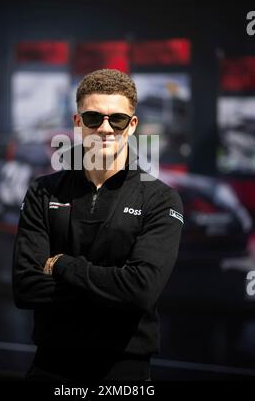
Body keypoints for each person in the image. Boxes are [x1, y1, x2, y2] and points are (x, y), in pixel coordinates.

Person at [12, 68, 183, 382]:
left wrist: (61, 265)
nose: (105, 129)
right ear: (78, 124)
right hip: (50, 365)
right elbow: (25, 287)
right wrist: (112, 287)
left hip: (124, 372)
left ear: (131, 126)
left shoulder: (161, 199)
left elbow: (139, 291)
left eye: (116, 119)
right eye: (93, 118)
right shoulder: (43, 190)